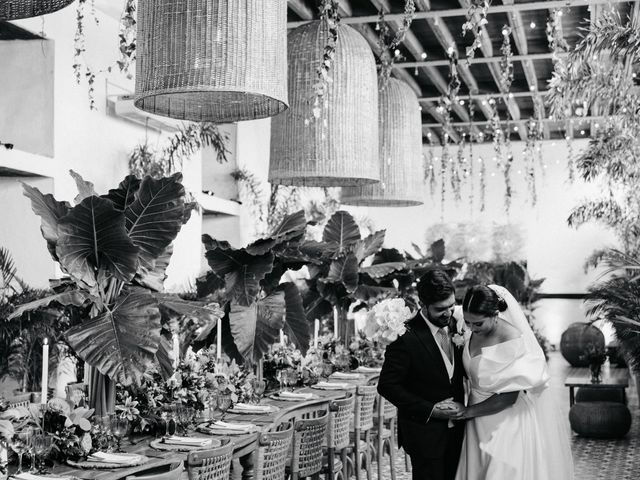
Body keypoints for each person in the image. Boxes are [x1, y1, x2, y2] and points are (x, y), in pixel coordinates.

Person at [453, 284, 574, 480]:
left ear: (494, 314)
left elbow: (508, 398)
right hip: (477, 418)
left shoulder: (512, 340)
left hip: (506, 422)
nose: (472, 329)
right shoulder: (468, 324)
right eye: (468, 322)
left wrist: (467, 412)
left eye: (478, 324)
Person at [378, 269, 466, 480]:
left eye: (451, 306)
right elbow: (387, 385)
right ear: (422, 305)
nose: (448, 313)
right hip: (425, 434)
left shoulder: (457, 324)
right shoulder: (405, 335)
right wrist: (431, 410)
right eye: (440, 309)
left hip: (458, 433)